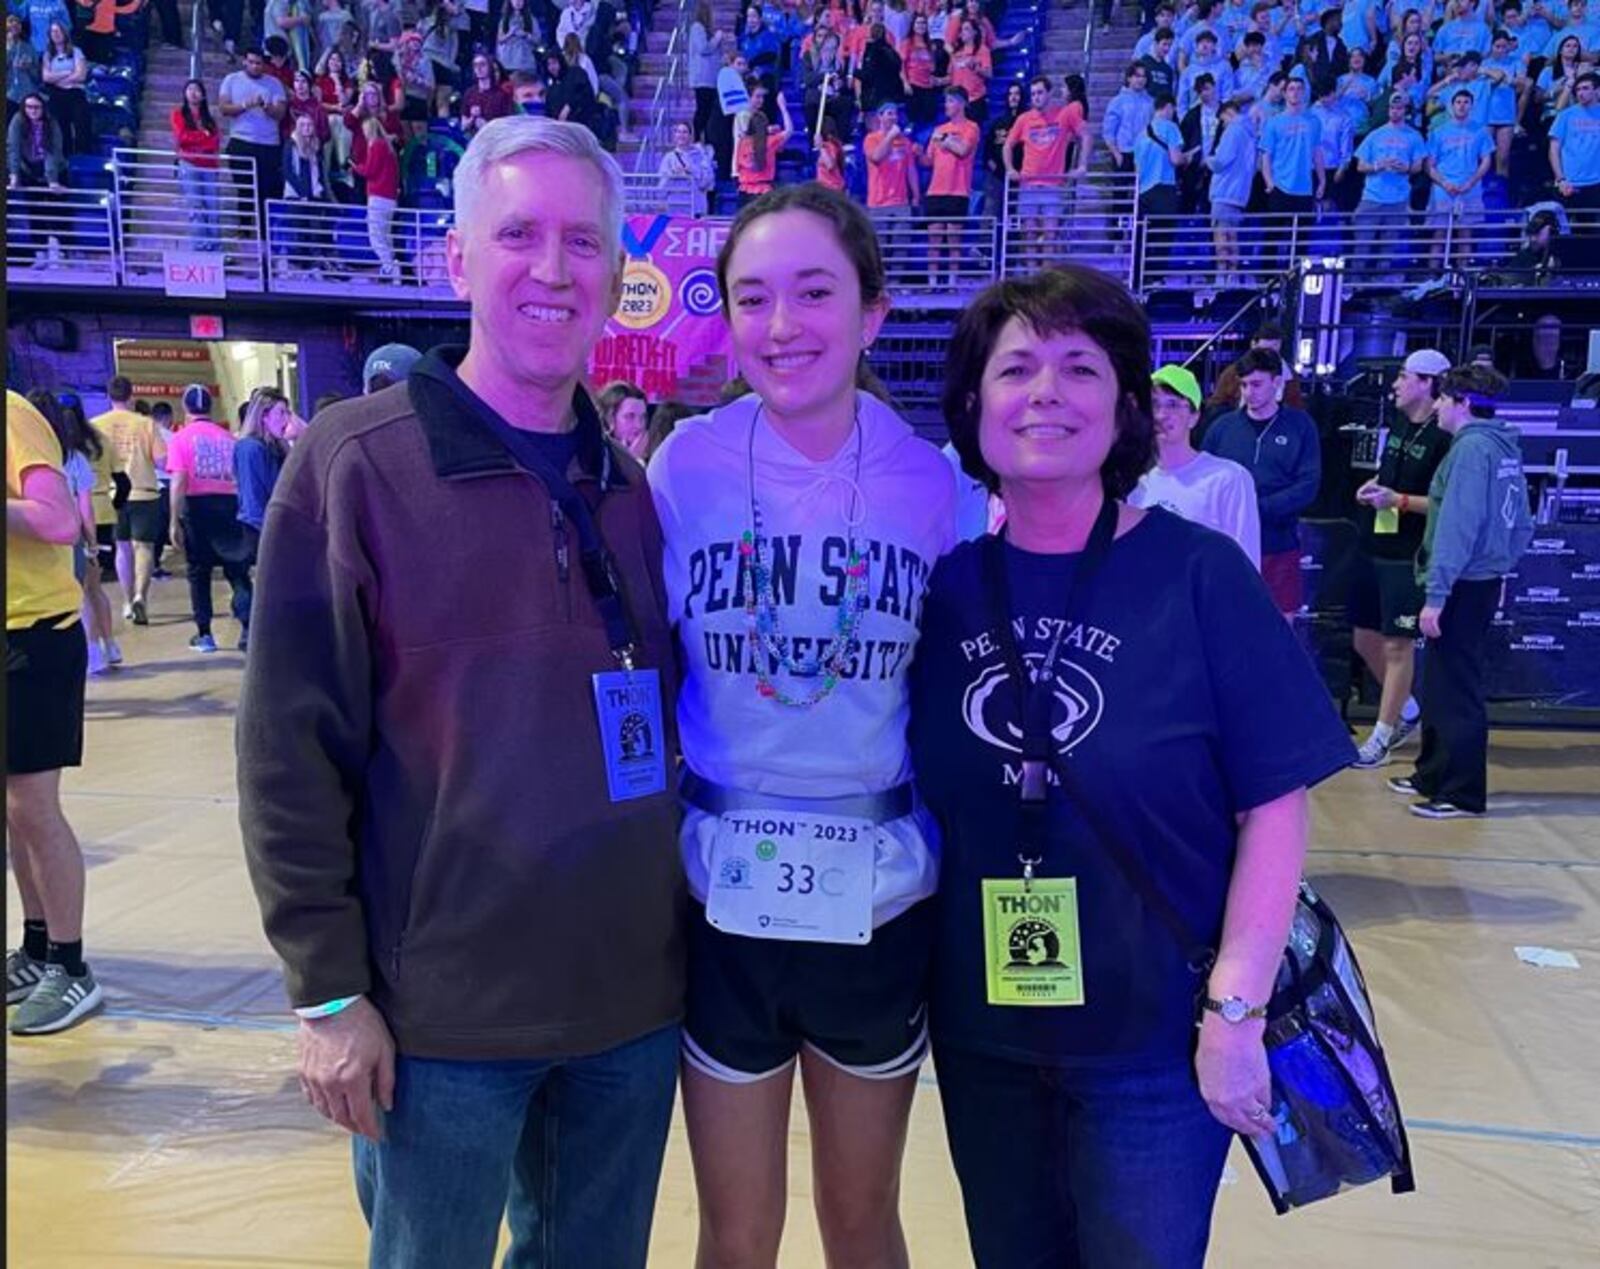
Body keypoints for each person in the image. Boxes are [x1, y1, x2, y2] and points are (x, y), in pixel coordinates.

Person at [238, 116, 685, 1269]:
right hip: (438, 1021)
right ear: (455, 260)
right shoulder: (353, 463)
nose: (553, 269)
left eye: (583, 242)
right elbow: (289, 749)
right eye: (519, 235)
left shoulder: (628, 487)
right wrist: (329, 997)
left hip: (626, 1010)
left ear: (618, 272)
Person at [911, 264, 1354, 1269]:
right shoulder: (942, 591)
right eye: (1015, 367)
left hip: (1157, 1044)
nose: (1045, 392)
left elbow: (1274, 808)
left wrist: (1234, 1013)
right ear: (971, 405)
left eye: (1080, 366)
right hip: (985, 1036)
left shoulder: (1198, 575)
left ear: (1124, 406)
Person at [646, 182, 956, 1269]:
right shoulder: (681, 468)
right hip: (719, 895)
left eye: (814, 293)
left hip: (878, 897)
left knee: (861, 1221)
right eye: (752, 298)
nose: (783, 327)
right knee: (734, 1233)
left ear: (872, 310)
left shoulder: (937, 486)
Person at [1393, 364, 1533, 819]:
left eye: (1444, 399)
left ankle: (1462, 792)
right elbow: (1523, 524)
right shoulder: (1502, 447)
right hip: (1479, 579)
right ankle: (1433, 773)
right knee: (1440, 682)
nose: (1435, 407)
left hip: (1462, 584)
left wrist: (1438, 594)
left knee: (1456, 687)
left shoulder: (1472, 451)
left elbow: (1457, 526)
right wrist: (1498, 564)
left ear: (1463, 404)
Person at [6, 390, 104, 1036]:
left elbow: (56, 520)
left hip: (31, 636)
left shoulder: (11, 415)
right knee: (13, 811)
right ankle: (37, 947)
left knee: (33, 808)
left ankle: (70, 967)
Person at [1349, 348, 1454, 769]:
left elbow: (1446, 502)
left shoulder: (1444, 435)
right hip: (1374, 543)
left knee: (1398, 645)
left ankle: (1380, 737)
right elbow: (1388, 475)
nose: (1395, 384)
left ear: (1428, 383)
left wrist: (1400, 501)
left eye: (1404, 376)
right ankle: (1408, 711)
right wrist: (1374, 487)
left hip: (1410, 555)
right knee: (1363, 638)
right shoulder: (1396, 423)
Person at [1200, 347, 1320, 618]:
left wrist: (1255, 508)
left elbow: (1308, 485)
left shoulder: (1300, 426)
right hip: (1227, 549)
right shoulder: (1222, 428)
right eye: (1243, 384)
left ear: (1277, 383)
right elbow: (1204, 479)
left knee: (1279, 630)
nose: (1248, 392)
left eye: (1256, 384)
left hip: (1276, 544)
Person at [1130, 363, 1261, 565]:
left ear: (1194, 416)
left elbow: (1247, 563)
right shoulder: (1139, 487)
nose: (1161, 415)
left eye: (1172, 404)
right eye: (1154, 405)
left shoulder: (1227, 479)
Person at [35, 391, 119, 674]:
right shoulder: (85, 449)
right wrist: (92, 542)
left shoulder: (39, 454)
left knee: (72, 597)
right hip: (86, 526)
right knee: (92, 591)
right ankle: (105, 646)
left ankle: (90, 651)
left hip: (50, 536)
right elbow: (86, 504)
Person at [167, 384, 253, 654]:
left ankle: (205, 635)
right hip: (229, 506)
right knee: (237, 570)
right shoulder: (229, 438)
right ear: (210, 408)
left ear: (186, 408)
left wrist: (173, 519)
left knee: (199, 572)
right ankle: (248, 629)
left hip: (197, 508)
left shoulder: (180, 440)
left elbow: (179, 480)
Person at [92, 376, 163, 628]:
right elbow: (162, 460)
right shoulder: (146, 424)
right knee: (143, 547)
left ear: (108, 396)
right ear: (131, 396)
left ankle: (125, 601)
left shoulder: (95, 425)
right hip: (144, 492)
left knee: (122, 548)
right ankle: (140, 596)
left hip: (111, 493)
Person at [1353, 92, 1426, 278]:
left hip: (1398, 199)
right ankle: (1354, 283)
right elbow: (1360, 166)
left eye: (1399, 108)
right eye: (1392, 108)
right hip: (1372, 197)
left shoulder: (1414, 136)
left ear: (1405, 111)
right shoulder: (1375, 135)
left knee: (1388, 246)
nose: (1395, 111)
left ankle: (1380, 284)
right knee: (1362, 245)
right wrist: (1378, 165)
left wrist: (1406, 168)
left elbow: (1418, 166)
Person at [219, 48, 289, 228]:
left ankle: (266, 233)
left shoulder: (274, 83)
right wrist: (245, 105)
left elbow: (280, 113)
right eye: (251, 62)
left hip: (268, 144)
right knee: (244, 187)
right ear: (244, 61)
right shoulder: (231, 80)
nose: (255, 66)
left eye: (258, 63)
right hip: (241, 142)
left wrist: (266, 107)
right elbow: (224, 108)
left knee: (267, 190)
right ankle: (244, 228)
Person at [1426, 88, 1494, 271]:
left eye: (1466, 102)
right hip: (1443, 188)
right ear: (1452, 105)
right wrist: (1444, 183)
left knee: (1466, 235)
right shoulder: (1438, 131)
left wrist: (1471, 182)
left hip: (1469, 188)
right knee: (1439, 235)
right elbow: (1429, 164)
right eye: (1458, 102)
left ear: (1471, 106)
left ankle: (1462, 278)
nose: (1462, 106)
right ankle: (1433, 277)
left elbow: (1486, 160)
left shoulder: (1480, 131)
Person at [921, 86, 980, 287]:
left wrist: (945, 140)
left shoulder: (971, 128)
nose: (946, 105)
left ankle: (953, 283)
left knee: (954, 241)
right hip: (935, 191)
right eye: (946, 101)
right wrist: (919, 154)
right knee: (934, 240)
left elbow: (963, 150)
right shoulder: (938, 130)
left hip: (958, 191)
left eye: (950, 101)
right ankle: (932, 283)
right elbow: (929, 161)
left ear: (962, 103)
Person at [234, 386, 294, 559]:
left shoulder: (276, 446)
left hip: (275, 524)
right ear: (264, 416)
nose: (286, 420)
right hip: (260, 527)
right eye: (281, 413)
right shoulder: (250, 448)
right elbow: (256, 495)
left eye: (287, 413)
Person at [172, 79, 223, 253]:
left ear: (203, 95)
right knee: (196, 205)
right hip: (188, 164)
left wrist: (197, 138)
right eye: (190, 89)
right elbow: (182, 138)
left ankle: (215, 248)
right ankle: (200, 247)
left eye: (197, 89)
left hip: (209, 165)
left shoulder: (210, 119)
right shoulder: (178, 114)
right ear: (185, 94)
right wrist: (203, 135)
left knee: (213, 207)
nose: (193, 92)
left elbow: (214, 143)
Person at [351, 114, 400, 280]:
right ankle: (393, 268)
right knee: (385, 234)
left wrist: (356, 167)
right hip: (390, 198)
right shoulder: (389, 148)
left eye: (365, 130)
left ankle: (389, 266)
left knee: (376, 236)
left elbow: (370, 171)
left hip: (379, 197)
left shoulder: (376, 145)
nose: (364, 134)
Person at [1549, 71, 1600, 211]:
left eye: (1585, 88)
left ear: (1597, 90)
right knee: (1569, 229)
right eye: (1577, 89)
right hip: (1570, 182)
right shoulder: (1565, 115)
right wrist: (1560, 179)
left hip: (1597, 182)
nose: (1580, 93)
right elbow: (1554, 150)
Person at [39, 21, 88, 156]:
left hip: (75, 92)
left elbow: (81, 75)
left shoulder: (76, 51)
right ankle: (64, 158)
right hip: (57, 94)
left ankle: (81, 155)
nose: (56, 34)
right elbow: (46, 77)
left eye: (58, 31)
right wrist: (67, 73)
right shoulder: (47, 54)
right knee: (60, 127)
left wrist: (57, 78)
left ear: (64, 33)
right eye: (53, 32)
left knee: (81, 124)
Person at [734, 94, 793, 202]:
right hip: (764, 192)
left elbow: (740, 165)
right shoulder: (770, 141)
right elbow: (789, 130)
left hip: (745, 191)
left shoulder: (743, 142)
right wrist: (783, 107)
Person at [659, 119, 716, 216]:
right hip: (676, 207)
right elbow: (662, 186)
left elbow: (707, 182)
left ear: (690, 135)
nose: (681, 135)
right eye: (678, 132)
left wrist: (692, 170)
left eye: (685, 132)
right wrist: (673, 175)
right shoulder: (669, 158)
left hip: (696, 208)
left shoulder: (701, 156)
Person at [1104, 63, 1155, 172]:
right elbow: (1109, 131)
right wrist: (1116, 154)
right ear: (1129, 78)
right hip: (1123, 152)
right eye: (1137, 76)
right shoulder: (1117, 101)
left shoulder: (1151, 102)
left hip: (1144, 153)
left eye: (1144, 76)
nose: (1140, 80)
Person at [689, 0, 726, 143]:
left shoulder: (706, 30)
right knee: (703, 110)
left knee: (709, 111)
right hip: (703, 78)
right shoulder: (697, 28)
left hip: (711, 78)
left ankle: (707, 140)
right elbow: (703, 48)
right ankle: (696, 138)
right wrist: (717, 38)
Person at [598, 379, 649, 460]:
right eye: (630, 416)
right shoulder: (596, 455)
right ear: (609, 418)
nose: (639, 425)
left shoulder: (654, 456)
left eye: (643, 417)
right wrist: (631, 459)